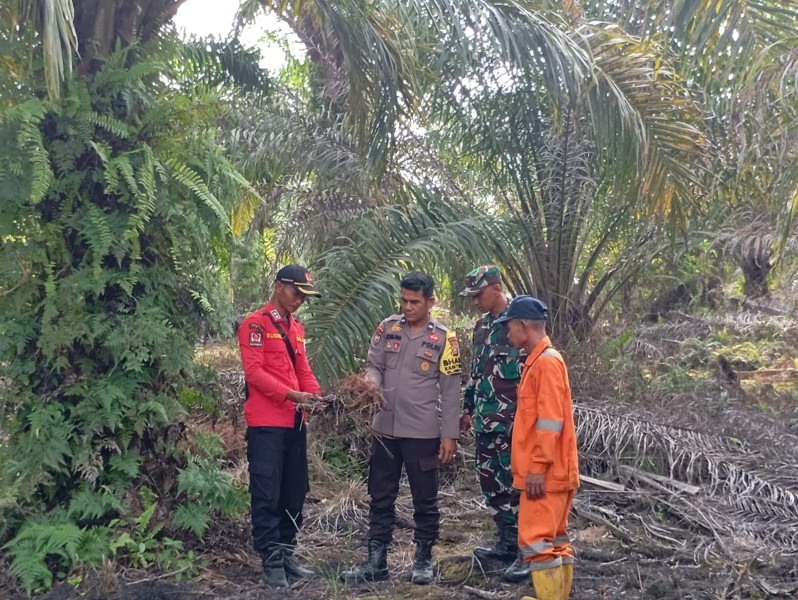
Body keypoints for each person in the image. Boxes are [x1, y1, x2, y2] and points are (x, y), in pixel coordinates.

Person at [340, 272, 461, 586]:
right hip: (385, 428)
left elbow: (450, 391)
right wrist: (371, 387)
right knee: (380, 495)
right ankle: (376, 562)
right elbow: (374, 366)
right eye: (404, 300)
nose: (408, 307)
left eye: (415, 302)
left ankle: (422, 560)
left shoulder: (446, 339)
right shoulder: (387, 328)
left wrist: (449, 434)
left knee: (425, 498)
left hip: (422, 430)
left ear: (430, 302)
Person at [237, 264, 322, 589]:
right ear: (278, 286)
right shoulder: (255, 325)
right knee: (267, 493)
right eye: (296, 292)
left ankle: (287, 552)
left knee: (294, 491)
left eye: (304, 295)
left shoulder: (296, 329)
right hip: (267, 425)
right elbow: (254, 373)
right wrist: (292, 395)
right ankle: (271, 560)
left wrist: (315, 398)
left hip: (295, 424)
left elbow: (304, 369)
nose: (300, 299)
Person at [495, 295, 579, 600]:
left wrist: (537, 467)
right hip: (553, 471)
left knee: (536, 542)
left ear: (523, 325)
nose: (507, 334)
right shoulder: (541, 361)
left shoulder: (546, 363)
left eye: (509, 327)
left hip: (545, 474)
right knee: (555, 541)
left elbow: (550, 421)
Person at [458, 265, 530, 582]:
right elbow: (477, 372)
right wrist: (467, 408)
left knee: (520, 487)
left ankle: (528, 551)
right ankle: (506, 541)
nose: (474, 301)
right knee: (493, 484)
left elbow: (534, 375)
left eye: (479, 294)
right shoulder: (481, 327)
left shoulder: (521, 324)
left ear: (497, 288)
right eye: (471, 296)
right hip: (487, 421)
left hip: (515, 423)